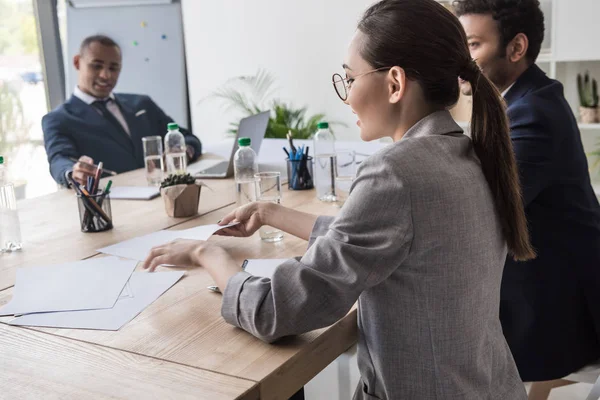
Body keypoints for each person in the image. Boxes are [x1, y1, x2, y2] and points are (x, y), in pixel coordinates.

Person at [143, 0, 535, 398]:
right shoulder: (470, 152)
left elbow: (279, 310)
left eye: (349, 79)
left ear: (395, 83)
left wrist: (208, 257)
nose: (346, 97)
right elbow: (393, 239)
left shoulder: (397, 172)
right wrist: (270, 212)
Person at [455, 0, 600, 383]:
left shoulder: (532, 113)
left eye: (471, 45)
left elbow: (478, 211)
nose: (459, 59)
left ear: (516, 48)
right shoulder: (528, 97)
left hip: (560, 304)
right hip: (547, 277)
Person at [42, 35, 202, 187]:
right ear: (77, 62)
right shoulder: (58, 119)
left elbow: (187, 138)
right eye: (96, 66)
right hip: (113, 203)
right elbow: (59, 160)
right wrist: (72, 173)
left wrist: (184, 152)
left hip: (165, 193)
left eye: (114, 68)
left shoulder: (142, 104)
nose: (105, 75)